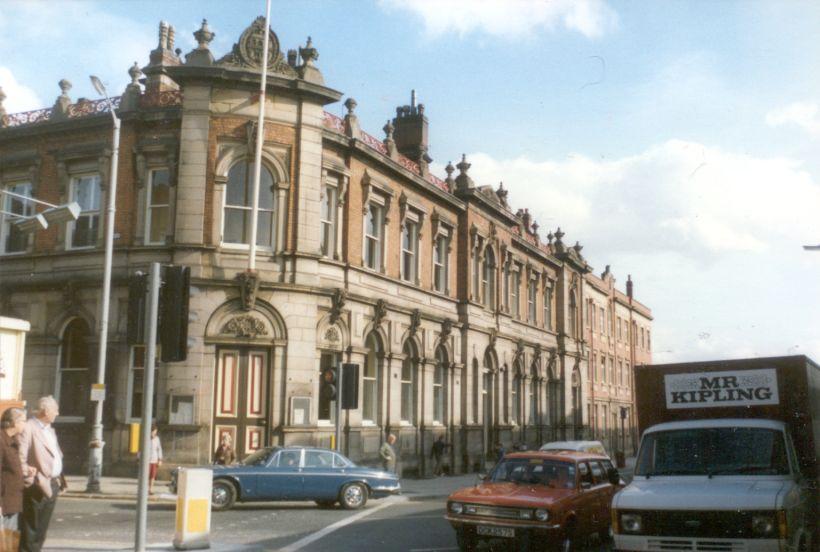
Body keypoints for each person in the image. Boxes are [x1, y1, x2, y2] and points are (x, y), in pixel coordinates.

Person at [18, 396, 65, 552]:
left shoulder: (49, 429)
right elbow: (20, 457)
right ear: (46, 411)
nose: (57, 413)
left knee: (41, 530)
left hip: (52, 483)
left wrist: (60, 479)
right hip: (36, 485)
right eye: (55, 410)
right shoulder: (29, 428)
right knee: (31, 529)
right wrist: (29, 476)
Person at [0, 407, 29, 551]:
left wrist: (26, 471)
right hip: (4, 502)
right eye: (23, 421)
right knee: (4, 543)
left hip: (12, 500)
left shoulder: (12, 440)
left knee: (9, 542)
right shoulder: (1, 440)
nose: (25, 424)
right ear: (13, 422)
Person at [148, 423, 163, 495]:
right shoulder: (146, 438)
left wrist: (160, 459)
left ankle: (150, 489)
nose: (154, 432)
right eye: (153, 431)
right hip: (146, 460)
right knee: (146, 475)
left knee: (152, 476)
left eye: (155, 431)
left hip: (154, 459)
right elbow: (141, 449)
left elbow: (159, 449)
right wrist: (138, 458)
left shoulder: (157, 439)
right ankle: (144, 489)